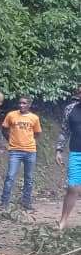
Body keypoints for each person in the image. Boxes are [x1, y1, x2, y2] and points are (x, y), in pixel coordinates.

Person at [0, 96, 41, 212]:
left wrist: (30, 142)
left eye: (24, 103)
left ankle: (26, 202)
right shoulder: (11, 115)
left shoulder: (34, 118)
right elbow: (4, 129)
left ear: (29, 105)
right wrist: (10, 140)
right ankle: (4, 203)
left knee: (29, 178)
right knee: (10, 176)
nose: (21, 105)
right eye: (20, 103)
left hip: (30, 151)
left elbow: (37, 133)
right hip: (15, 151)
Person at [54, 85, 81, 230]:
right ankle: (63, 220)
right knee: (72, 187)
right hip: (76, 153)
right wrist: (59, 150)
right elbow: (64, 131)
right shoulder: (70, 109)